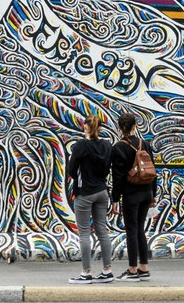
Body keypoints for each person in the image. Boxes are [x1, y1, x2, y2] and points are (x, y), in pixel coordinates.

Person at [65, 114, 114, 284]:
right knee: (102, 230)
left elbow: (71, 169)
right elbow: (108, 168)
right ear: (99, 128)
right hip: (102, 191)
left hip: (85, 192)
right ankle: (107, 271)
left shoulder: (81, 146)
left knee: (85, 233)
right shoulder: (107, 145)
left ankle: (86, 273)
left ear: (85, 127)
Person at [111, 112, 158, 282]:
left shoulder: (118, 147)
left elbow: (117, 177)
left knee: (131, 230)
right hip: (146, 193)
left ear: (119, 127)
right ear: (134, 126)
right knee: (140, 230)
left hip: (131, 195)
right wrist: (153, 194)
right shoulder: (144, 143)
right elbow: (153, 169)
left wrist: (115, 199)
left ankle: (132, 271)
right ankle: (143, 268)